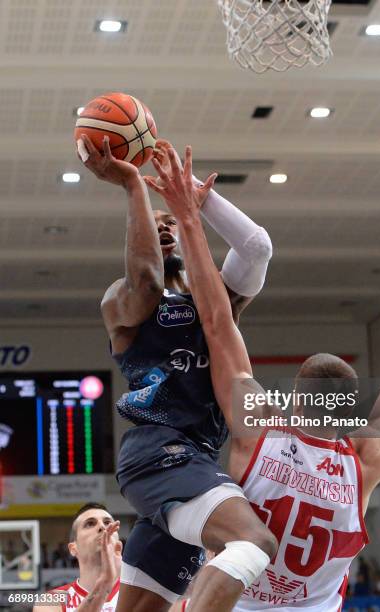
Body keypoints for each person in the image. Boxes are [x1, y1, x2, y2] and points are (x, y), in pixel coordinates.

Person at [153, 148, 380, 612]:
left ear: (292, 396)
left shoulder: (260, 428)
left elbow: (216, 322)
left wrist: (190, 219)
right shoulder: (365, 461)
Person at [77, 135, 277, 612]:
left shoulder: (217, 299)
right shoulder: (122, 300)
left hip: (196, 458)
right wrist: (133, 185)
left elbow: (256, 247)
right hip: (161, 452)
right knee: (254, 542)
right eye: (154, 224)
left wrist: (189, 194)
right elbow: (145, 277)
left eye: (169, 223)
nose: (163, 227)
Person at [33, 503, 121, 612]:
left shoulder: (139, 590)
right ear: (73, 548)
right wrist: (103, 585)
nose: (102, 527)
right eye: (90, 524)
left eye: (107, 522)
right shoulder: (51, 601)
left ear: (118, 543)